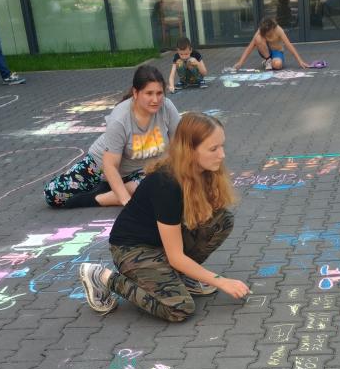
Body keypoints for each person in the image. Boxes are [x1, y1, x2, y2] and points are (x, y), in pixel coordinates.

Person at [78, 113, 250, 322]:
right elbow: (175, 256)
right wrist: (221, 281)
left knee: (221, 221)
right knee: (179, 308)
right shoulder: (167, 184)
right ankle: (103, 277)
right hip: (132, 249)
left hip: (161, 243)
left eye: (222, 146)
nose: (222, 155)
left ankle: (178, 277)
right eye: (213, 149)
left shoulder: (203, 171)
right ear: (190, 150)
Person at [44, 65, 180, 209]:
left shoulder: (167, 107)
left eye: (159, 93)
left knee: (161, 186)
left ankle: (98, 198)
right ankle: (113, 187)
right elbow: (110, 165)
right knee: (54, 195)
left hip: (143, 171)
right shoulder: (120, 118)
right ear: (136, 93)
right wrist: (127, 203)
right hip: (103, 166)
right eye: (149, 93)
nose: (155, 99)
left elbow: (181, 144)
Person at [233, 17, 309, 71]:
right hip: (265, 51)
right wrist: (240, 62)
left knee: (277, 65)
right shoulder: (261, 30)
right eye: (265, 33)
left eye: (268, 32)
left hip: (277, 52)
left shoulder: (279, 30)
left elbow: (289, 45)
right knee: (257, 38)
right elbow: (250, 46)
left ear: (272, 28)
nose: (266, 34)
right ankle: (268, 61)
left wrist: (300, 61)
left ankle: (269, 62)